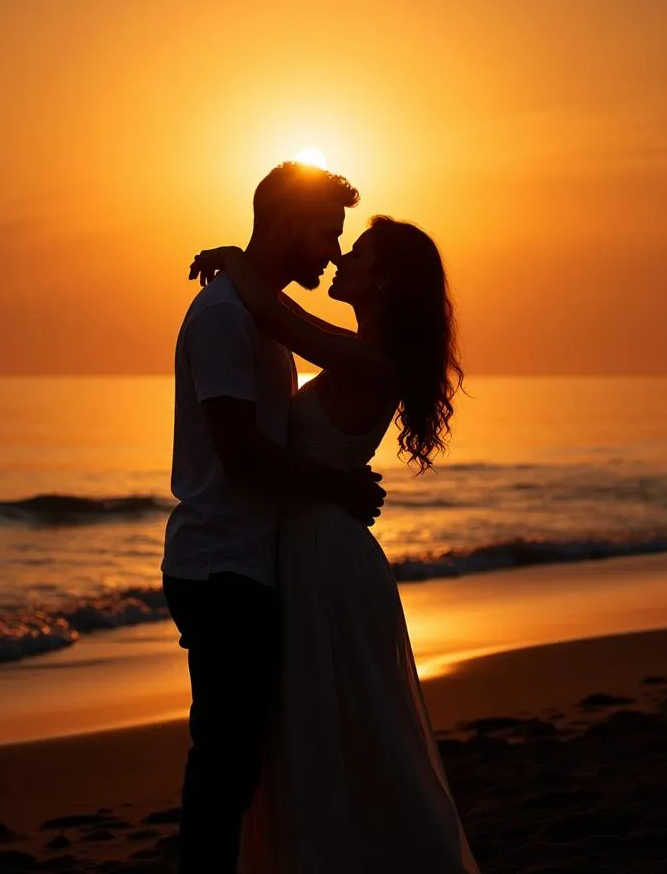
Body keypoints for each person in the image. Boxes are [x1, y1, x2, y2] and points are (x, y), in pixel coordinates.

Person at [190, 212, 479, 873]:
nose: (342, 259)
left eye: (360, 254)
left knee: (343, 730)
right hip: (317, 550)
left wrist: (236, 255)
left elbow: (280, 318)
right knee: (329, 727)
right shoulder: (366, 356)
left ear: (382, 282)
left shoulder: (369, 360)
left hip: (326, 562)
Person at [161, 162, 387, 874]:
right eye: (328, 233)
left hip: (248, 565)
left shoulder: (262, 320)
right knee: (225, 766)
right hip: (222, 566)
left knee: (239, 763)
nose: (333, 253)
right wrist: (337, 488)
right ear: (288, 223)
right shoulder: (227, 316)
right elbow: (239, 454)